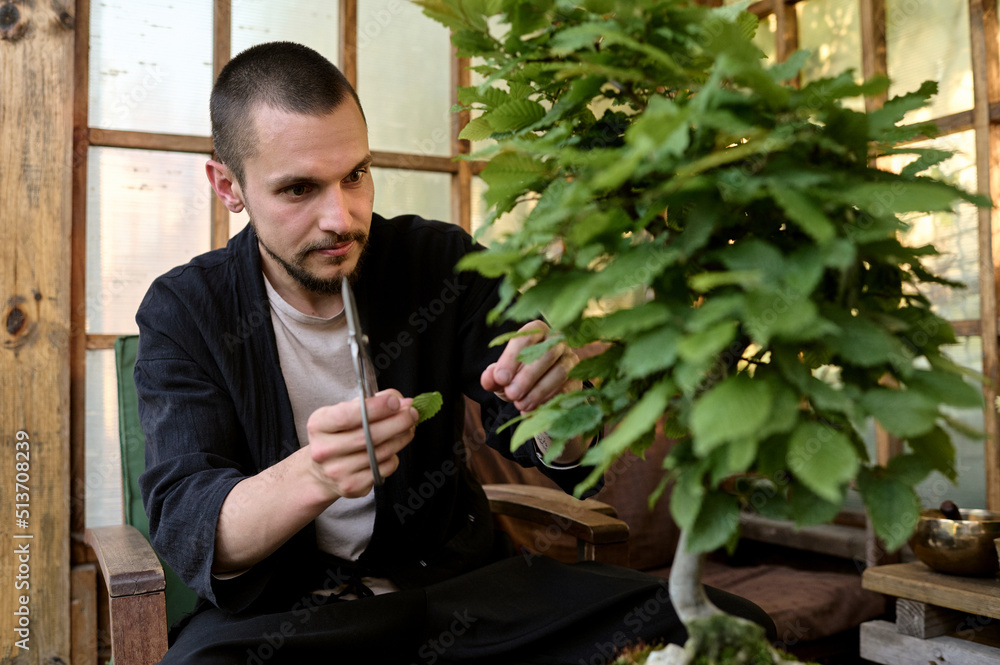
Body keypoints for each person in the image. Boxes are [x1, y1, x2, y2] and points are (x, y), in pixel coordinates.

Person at [135, 41, 774, 664]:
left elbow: (554, 448)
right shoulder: (186, 311)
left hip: (460, 598)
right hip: (287, 622)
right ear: (229, 186)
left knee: (724, 629)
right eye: (300, 189)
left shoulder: (439, 262)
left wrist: (561, 406)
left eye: (356, 175)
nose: (343, 217)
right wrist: (317, 473)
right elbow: (193, 521)